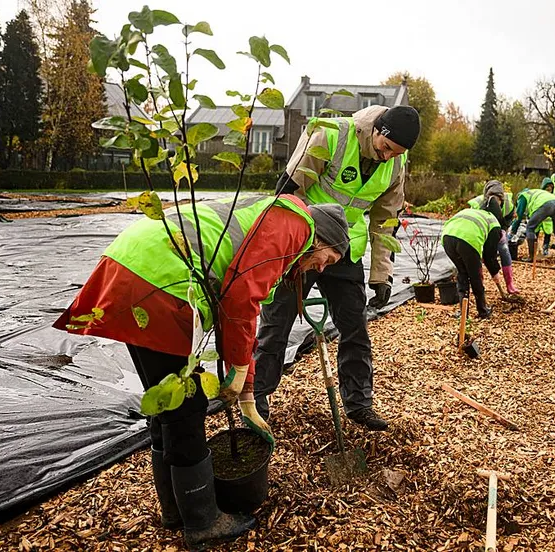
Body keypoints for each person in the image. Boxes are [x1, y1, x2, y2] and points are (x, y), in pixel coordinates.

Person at [54, 196, 349, 551]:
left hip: (133, 266)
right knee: (187, 407)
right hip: (160, 278)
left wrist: (247, 395)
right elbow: (241, 299)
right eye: (329, 258)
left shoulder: (275, 216)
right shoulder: (295, 226)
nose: (321, 268)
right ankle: (203, 522)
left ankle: (175, 511)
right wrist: (240, 368)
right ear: (321, 237)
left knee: (166, 400)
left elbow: (240, 312)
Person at [253, 104, 421, 432]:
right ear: (377, 130)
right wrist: (285, 249)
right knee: (277, 323)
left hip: (345, 251)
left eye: (396, 153)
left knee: (355, 327)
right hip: (304, 245)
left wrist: (382, 275)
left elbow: (386, 220)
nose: (388, 157)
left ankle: (359, 404)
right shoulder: (331, 136)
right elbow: (287, 192)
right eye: (386, 147)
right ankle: (256, 398)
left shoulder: (395, 164)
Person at [442, 206, 504, 318]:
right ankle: (483, 311)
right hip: (468, 240)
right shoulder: (495, 225)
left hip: (447, 237)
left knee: (462, 273)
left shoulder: (476, 213)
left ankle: (463, 312)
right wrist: (495, 272)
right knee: (475, 276)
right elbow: (489, 255)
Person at [468, 180, 518, 294]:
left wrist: (503, 231)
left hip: (498, 229)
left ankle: (509, 283)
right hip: (481, 232)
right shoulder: (478, 204)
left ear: (502, 198)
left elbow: (508, 220)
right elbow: (472, 223)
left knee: (504, 250)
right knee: (478, 255)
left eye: (498, 199)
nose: (496, 202)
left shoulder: (508, 205)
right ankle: (479, 285)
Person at [510, 188, 555, 266]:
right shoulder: (535, 193)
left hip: (546, 205)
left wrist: (512, 231)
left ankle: (531, 257)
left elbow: (519, 216)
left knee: (530, 228)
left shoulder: (522, 196)